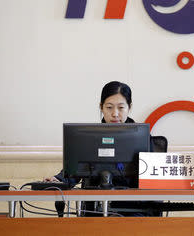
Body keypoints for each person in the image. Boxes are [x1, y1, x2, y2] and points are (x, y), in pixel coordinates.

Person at [44, 81, 161, 216]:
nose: (115, 114)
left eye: (121, 108)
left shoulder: (143, 137)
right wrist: (58, 180)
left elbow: (155, 178)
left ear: (129, 107)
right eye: (109, 107)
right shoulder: (89, 137)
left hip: (134, 210)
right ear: (101, 107)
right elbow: (73, 172)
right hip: (94, 210)